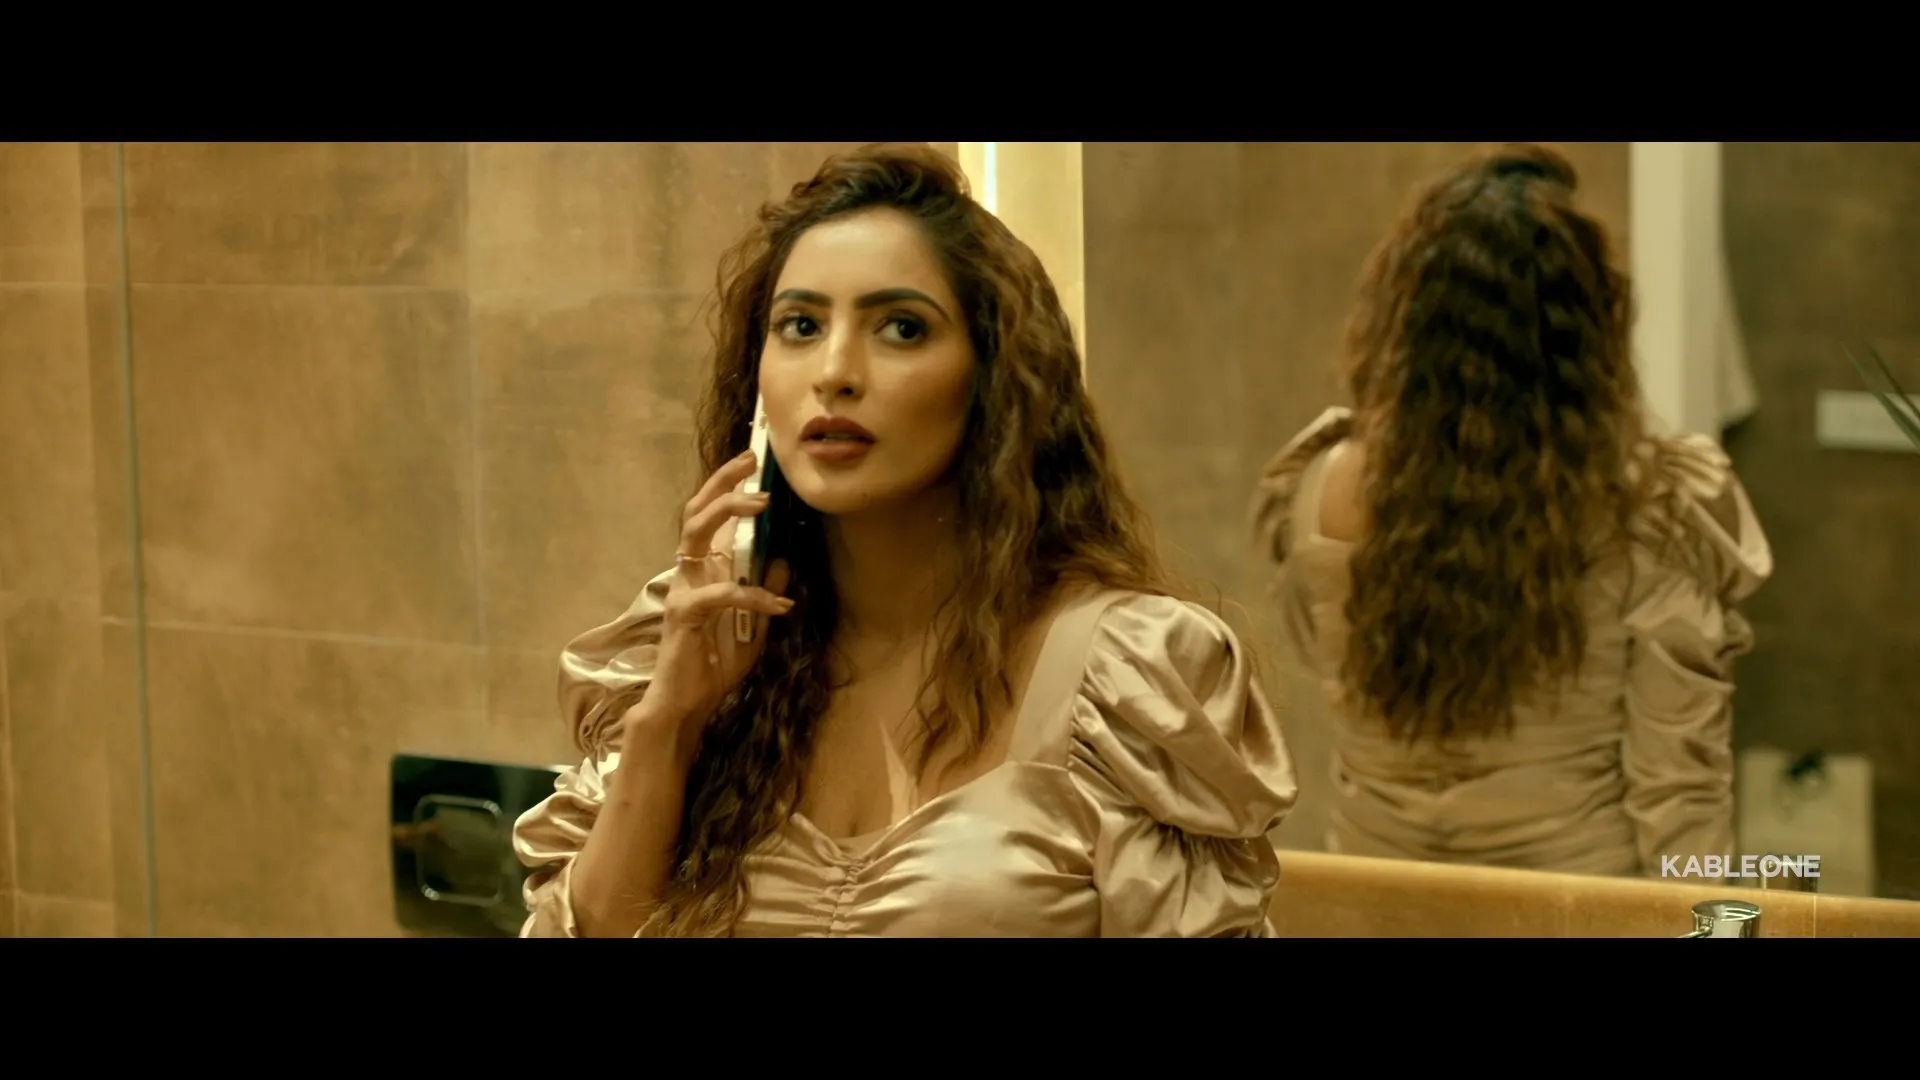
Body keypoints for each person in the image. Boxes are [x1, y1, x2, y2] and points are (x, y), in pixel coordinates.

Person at [513, 142, 1297, 937]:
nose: (835, 372)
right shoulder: (701, 642)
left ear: (994, 377)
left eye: (900, 327)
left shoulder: (1125, 679)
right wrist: (671, 722)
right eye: (800, 325)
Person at [1250, 143, 1772, 879]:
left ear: (1405, 318)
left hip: (1378, 903)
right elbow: (1681, 795)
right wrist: (1719, 926)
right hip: (1574, 910)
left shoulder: (1316, 489)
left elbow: (1322, 673)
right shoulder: (1655, 506)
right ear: (1587, 328)